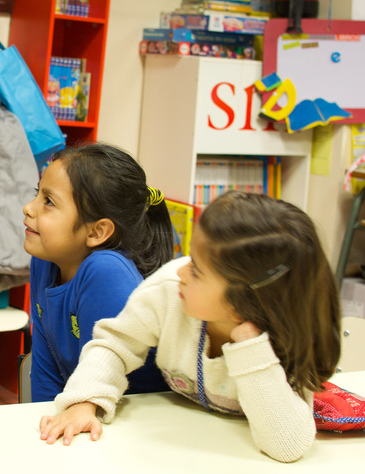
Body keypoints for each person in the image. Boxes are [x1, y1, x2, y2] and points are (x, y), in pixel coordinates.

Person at [38, 190, 341, 463]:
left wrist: (249, 344)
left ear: (240, 305)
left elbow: (287, 446)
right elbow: (115, 344)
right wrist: (85, 399)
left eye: (197, 269)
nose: (181, 270)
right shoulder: (169, 290)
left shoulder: (288, 339)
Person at [23, 143, 175, 403]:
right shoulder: (45, 259)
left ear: (96, 232)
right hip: (84, 410)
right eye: (37, 194)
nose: (29, 207)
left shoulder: (106, 272)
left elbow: (99, 384)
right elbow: (46, 365)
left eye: (48, 201)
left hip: (132, 417)